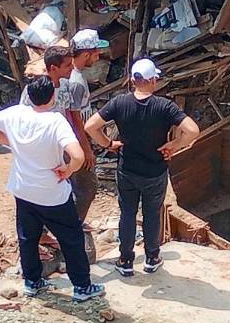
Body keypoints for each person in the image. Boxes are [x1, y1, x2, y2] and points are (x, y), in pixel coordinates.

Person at [0, 76, 105, 302]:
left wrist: (10, 141)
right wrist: (68, 170)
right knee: (72, 238)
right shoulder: (55, 121)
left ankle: (32, 282)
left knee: (28, 237)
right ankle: (82, 287)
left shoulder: (15, 113)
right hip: (52, 193)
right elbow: (77, 155)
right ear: (52, 98)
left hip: (23, 189)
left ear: (29, 95)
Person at [85, 59, 200, 276]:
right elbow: (193, 130)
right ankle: (151, 258)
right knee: (151, 214)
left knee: (127, 213)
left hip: (127, 169)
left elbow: (90, 126)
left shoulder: (119, 103)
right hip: (154, 171)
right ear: (152, 80)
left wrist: (108, 144)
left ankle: (126, 261)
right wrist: (174, 145)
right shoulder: (164, 106)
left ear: (132, 80)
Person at [20, 45, 99, 221]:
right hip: (44, 152)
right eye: (68, 66)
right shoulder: (35, 90)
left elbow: (74, 119)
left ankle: (73, 223)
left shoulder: (65, 86)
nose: (72, 68)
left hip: (66, 148)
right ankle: (48, 230)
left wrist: (84, 148)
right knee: (47, 193)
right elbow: (24, 122)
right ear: (53, 68)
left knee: (88, 186)